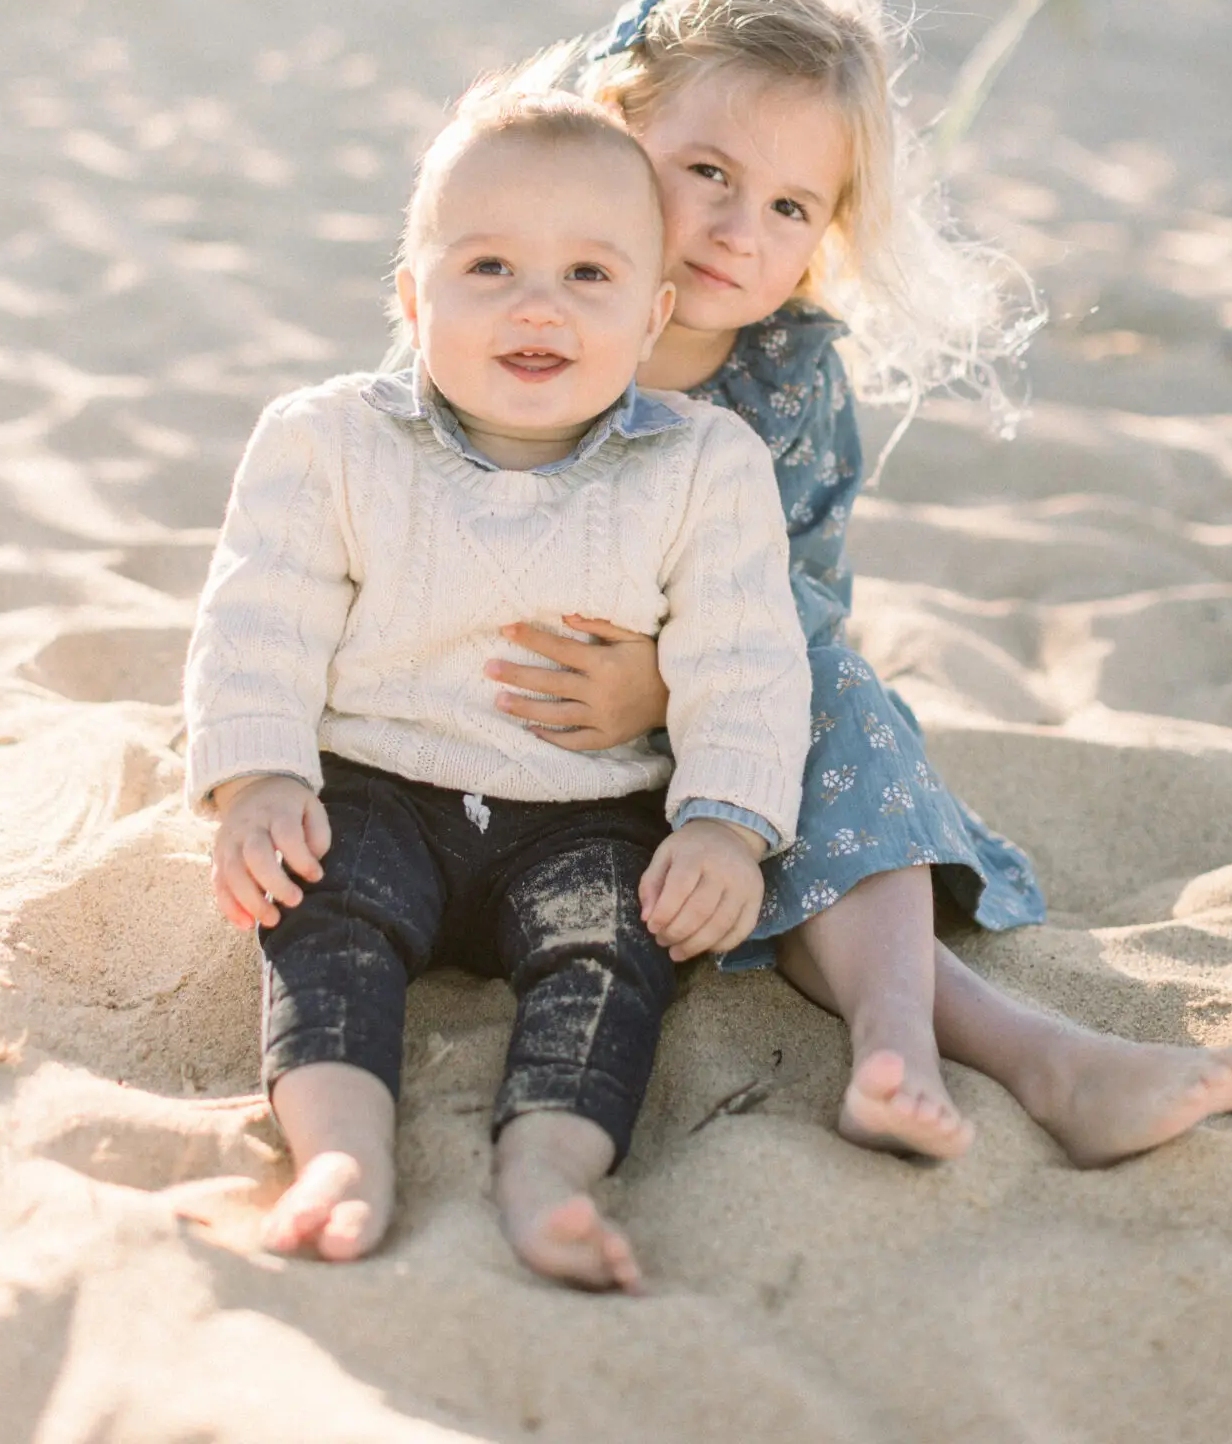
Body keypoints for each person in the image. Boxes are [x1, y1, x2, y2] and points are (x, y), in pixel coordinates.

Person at [482, 0, 1232, 1165]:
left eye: (790, 205)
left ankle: (901, 1048)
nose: (740, 230)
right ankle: (1042, 1055)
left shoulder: (785, 379)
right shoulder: (528, 307)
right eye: (708, 172)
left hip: (725, 745)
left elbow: (802, 609)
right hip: (510, 732)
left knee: (838, 697)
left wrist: (671, 682)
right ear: (617, 131)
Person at [185, 82, 812, 1291]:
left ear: (652, 314)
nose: (538, 303)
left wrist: (728, 824)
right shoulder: (328, 441)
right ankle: (342, 1152)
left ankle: (550, 1168)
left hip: (586, 809)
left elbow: (745, 656)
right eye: (488, 267)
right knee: (320, 919)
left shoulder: (702, 466)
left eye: (589, 275)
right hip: (376, 783)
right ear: (412, 300)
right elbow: (260, 613)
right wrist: (257, 777)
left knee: (615, 956)